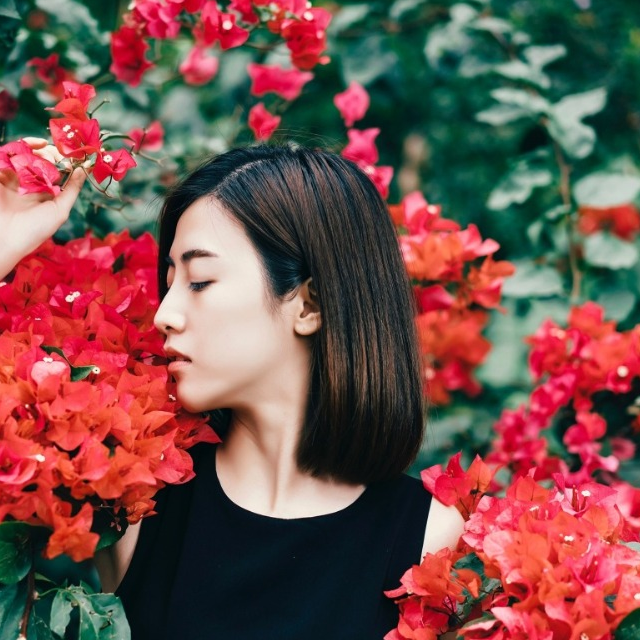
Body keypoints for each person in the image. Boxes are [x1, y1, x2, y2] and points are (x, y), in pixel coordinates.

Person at [1, 143, 464, 639]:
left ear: (310, 305)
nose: (164, 314)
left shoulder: (428, 537)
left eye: (200, 281)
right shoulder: (135, 503)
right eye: (169, 282)